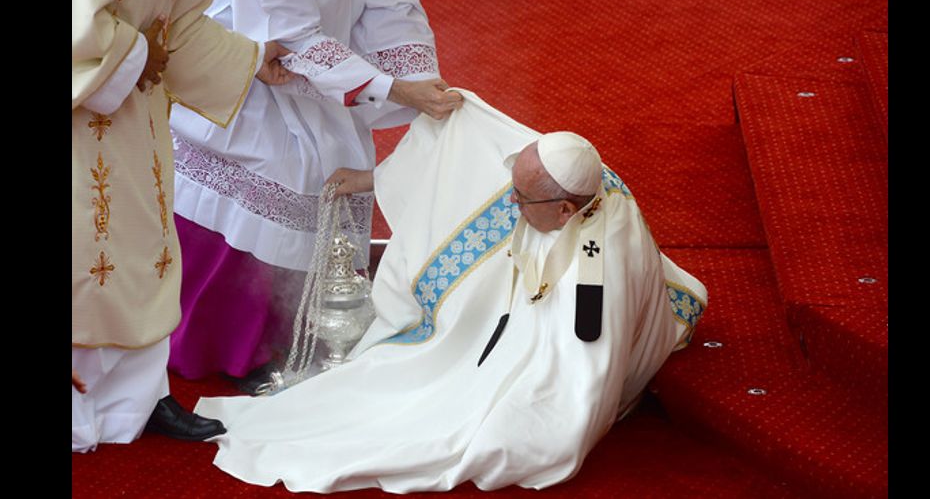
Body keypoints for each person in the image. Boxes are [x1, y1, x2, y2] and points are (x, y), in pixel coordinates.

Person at [193, 90, 707, 493]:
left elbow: (582, 376)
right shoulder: (563, 168)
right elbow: (473, 157)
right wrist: (375, 178)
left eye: (521, 198)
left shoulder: (596, 270)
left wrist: (516, 407)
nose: (510, 202)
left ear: (566, 213)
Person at [166, 0, 463, 384]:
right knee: (280, 170)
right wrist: (392, 89)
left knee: (339, 164)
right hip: (251, 67)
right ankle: (236, 346)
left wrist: (422, 82)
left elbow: (393, 6)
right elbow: (282, 33)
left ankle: (309, 331)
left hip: (332, 73)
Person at [72, 0, 294, 453]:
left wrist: (250, 58)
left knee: (144, 251)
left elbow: (182, 20)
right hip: (85, 118)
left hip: (139, 112)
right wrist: (135, 53)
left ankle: (141, 398)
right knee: (87, 257)